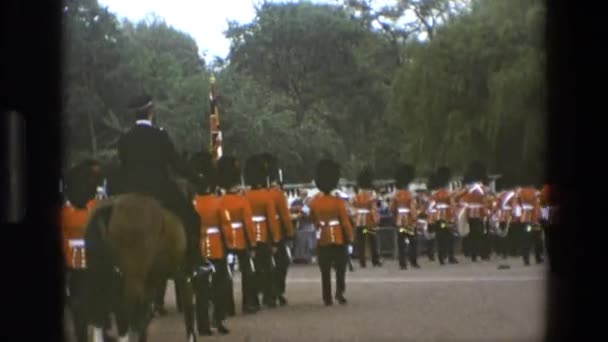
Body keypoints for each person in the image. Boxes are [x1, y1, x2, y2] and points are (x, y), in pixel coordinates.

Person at [116, 95, 201, 273]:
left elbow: (123, 166)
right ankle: (195, 262)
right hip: (159, 190)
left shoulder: (125, 138)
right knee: (192, 217)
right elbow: (176, 163)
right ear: (150, 112)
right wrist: (197, 178)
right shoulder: (160, 135)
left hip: (129, 191)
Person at [191, 151, 230, 335]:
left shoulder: (191, 203)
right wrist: (229, 244)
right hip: (216, 247)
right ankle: (219, 320)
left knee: (201, 291)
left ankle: (203, 325)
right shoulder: (218, 202)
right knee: (219, 286)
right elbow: (226, 226)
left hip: (197, 248)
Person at [216, 155, 259, 314]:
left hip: (225, 240)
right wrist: (253, 243)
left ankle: (228, 306)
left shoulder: (219, 201)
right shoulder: (242, 201)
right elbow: (248, 224)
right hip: (241, 239)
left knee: (226, 273)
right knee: (248, 272)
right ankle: (248, 303)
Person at [308, 159, 354, 305]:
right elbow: (345, 221)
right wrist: (350, 236)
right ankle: (339, 293)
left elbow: (312, 218)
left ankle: (326, 297)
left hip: (323, 237)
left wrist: (319, 226)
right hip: (338, 237)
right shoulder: (338, 201)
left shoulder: (315, 201)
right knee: (341, 268)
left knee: (325, 270)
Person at [243, 155, 282, 308]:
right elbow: (272, 220)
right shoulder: (266, 197)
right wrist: (276, 239)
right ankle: (269, 297)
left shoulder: (244, 196)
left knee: (252, 269)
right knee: (268, 268)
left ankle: (252, 300)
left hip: (248, 235)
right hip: (264, 234)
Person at [259, 153, 295, 306]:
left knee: (264, 265)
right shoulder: (277, 194)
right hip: (277, 233)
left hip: (259, 234)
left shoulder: (255, 193)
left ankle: (267, 294)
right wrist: (290, 233)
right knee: (282, 263)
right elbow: (285, 216)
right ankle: (278, 291)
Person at [389, 164, 419, 269]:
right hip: (409, 221)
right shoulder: (411, 195)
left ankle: (402, 264)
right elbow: (413, 209)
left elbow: (391, 209)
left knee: (401, 243)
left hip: (400, 221)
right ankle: (413, 261)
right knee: (412, 242)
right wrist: (415, 218)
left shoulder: (395, 195)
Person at [428, 166, 459, 265]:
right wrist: (454, 218)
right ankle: (450, 256)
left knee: (440, 238)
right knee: (449, 237)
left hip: (438, 218)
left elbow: (431, 207)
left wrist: (431, 220)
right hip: (447, 218)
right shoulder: (449, 194)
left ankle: (441, 257)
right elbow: (453, 206)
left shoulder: (435, 194)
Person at [351, 167, 381, 267]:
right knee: (373, 241)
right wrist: (376, 219)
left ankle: (362, 262)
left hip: (359, 222)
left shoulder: (355, 196)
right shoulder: (371, 195)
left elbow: (352, 208)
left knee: (361, 243)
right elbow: (374, 208)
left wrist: (355, 218)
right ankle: (375, 260)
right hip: (369, 222)